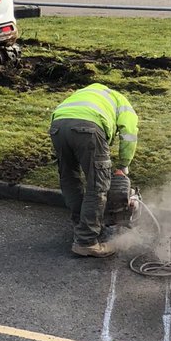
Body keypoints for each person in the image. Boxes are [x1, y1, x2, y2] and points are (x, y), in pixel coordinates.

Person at [50, 83, 139, 258]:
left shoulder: (85, 93)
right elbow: (129, 134)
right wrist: (122, 166)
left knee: (70, 178)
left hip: (58, 127)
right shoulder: (121, 101)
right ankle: (87, 241)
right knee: (97, 185)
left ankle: (81, 225)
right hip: (88, 128)